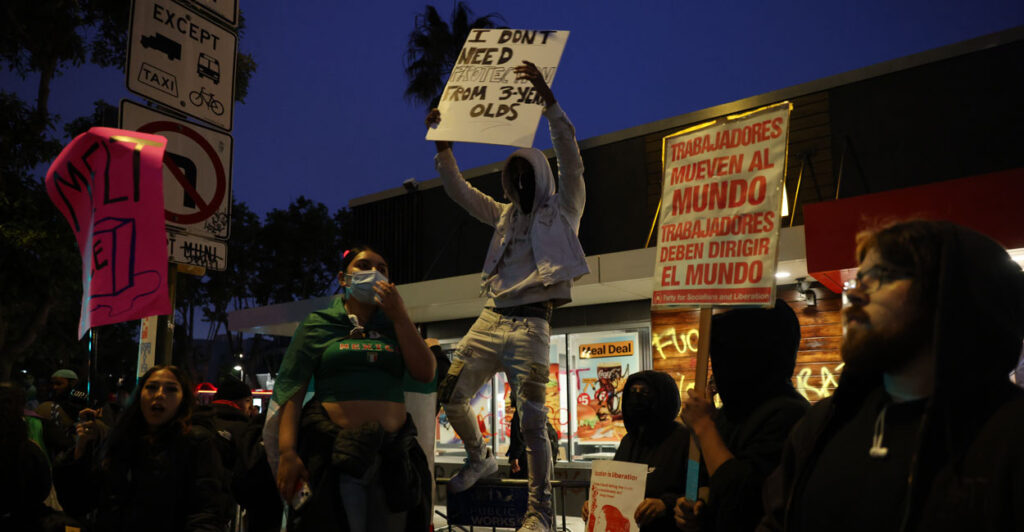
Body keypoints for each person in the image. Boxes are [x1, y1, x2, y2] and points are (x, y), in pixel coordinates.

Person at [757, 220, 1024, 531]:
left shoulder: (1010, 436)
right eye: (859, 279)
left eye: (882, 277)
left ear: (950, 295)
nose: (855, 294)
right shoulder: (821, 426)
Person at [428, 59, 588, 532]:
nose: (517, 182)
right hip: (491, 318)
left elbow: (570, 153)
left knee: (533, 421)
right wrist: (443, 147)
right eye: (511, 175)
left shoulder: (565, 210)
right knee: (450, 395)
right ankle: (480, 457)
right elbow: (458, 191)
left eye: (525, 174)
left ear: (541, 176)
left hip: (533, 324)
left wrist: (549, 103)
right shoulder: (501, 216)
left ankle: (538, 512)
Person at [267, 246, 436, 532]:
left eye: (382, 269)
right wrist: (287, 452)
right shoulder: (317, 325)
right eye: (364, 265)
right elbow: (292, 393)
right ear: (343, 279)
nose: (373, 272)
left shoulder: (397, 326)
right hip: (336, 456)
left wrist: (400, 317)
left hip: (392, 459)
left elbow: (425, 372)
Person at [674, 300, 810, 531]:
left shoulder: (790, 415)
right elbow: (713, 483)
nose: (719, 366)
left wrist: (705, 428)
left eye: (727, 353)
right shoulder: (731, 414)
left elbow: (746, 498)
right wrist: (699, 506)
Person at [54, 365, 229, 531]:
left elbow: (207, 513)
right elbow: (77, 504)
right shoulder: (121, 439)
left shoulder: (197, 442)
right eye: (151, 387)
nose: (159, 395)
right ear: (140, 395)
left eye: (171, 389)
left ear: (183, 399)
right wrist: (80, 450)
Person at [581, 371, 689, 532]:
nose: (637, 398)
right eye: (632, 392)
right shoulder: (629, 441)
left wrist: (666, 504)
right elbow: (614, 486)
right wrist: (595, 503)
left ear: (664, 398)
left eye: (645, 392)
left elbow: (699, 490)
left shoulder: (686, 440)